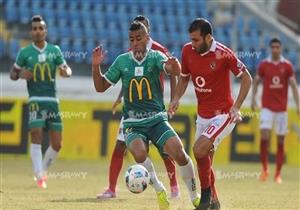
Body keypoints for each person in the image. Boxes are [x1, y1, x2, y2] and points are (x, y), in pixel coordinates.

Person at [91, 21, 200, 210]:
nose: (135, 43)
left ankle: (195, 196)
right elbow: (100, 87)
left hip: (157, 119)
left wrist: (174, 67)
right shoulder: (121, 61)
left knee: (180, 154)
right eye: (131, 39)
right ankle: (159, 189)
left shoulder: (156, 57)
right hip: (133, 122)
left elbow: (171, 70)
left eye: (139, 38)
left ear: (147, 38)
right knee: (139, 153)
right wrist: (95, 67)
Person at [168, 18, 252, 210]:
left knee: (198, 149)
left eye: (196, 40)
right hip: (203, 115)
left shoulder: (224, 54)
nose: (193, 43)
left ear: (208, 37)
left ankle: (204, 200)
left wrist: (236, 107)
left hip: (223, 115)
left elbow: (247, 79)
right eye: (191, 39)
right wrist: (176, 98)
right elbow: (184, 79)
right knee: (204, 161)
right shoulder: (187, 51)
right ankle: (214, 202)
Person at [10, 15, 72, 188]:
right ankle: (39, 176)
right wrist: (20, 74)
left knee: (57, 144)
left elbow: (66, 68)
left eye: (40, 28)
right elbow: (12, 74)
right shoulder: (24, 53)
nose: (37, 31)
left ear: (45, 31)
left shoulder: (55, 50)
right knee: (36, 134)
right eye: (35, 28)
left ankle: (43, 170)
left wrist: (67, 72)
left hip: (52, 100)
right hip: (35, 100)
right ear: (31, 32)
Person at [251, 38, 299, 184]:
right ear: (270, 49)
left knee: (280, 140)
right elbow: (256, 81)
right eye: (273, 47)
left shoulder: (287, 66)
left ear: (281, 48)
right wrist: (253, 99)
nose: (275, 49)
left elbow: (293, 86)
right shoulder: (264, 65)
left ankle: (277, 174)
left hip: (281, 110)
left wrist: (298, 105)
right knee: (264, 135)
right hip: (267, 108)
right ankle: (265, 169)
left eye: (277, 47)